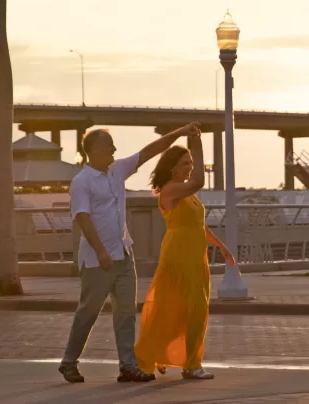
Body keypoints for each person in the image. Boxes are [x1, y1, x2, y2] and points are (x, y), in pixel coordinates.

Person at [59, 123, 201, 384]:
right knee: (88, 312)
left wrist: (178, 133)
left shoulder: (117, 170)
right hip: (97, 260)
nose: (114, 149)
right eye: (109, 146)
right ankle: (69, 362)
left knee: (125, 313)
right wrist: (100, 251)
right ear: (94, 150)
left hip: (124, 254)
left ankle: (128, 366)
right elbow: (82, 216)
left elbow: (148, 151)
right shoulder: (81, 181)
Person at [135, 144, 235, 380]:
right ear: (172, 169)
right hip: (178, 255)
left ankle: (165, 355)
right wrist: (198, 146)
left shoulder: (187, 193)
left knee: (189, 309)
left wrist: (220, 245)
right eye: (185, 163)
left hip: (195, 255)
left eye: (191, 163)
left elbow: (199, 225)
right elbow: (199, 181)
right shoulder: (170, 190)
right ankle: (189, 364)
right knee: (182, 308)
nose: (190, 168)